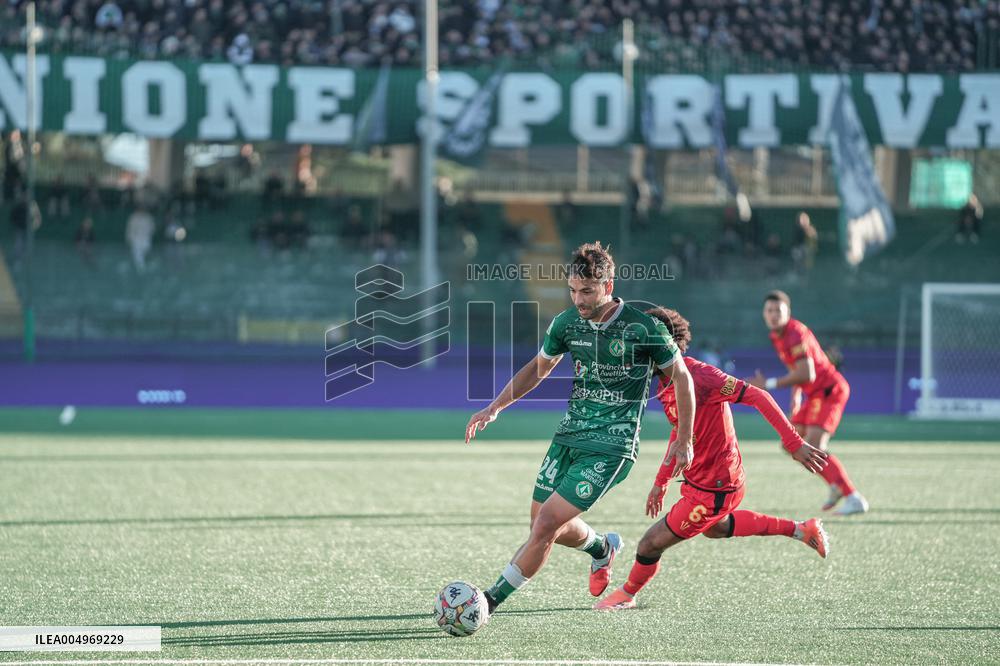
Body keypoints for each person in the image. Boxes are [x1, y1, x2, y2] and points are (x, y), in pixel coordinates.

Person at [465, 241, 695, 619]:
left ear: (608, 285)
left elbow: (682, 379)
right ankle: (601, 548)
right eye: (573, 290)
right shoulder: (567, 323)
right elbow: (538, 368)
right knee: (542, 522)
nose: (578, 299)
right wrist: (495, 407)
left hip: (612, 447)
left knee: (545, 526)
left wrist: (684, 440)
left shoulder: (643, 327)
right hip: (569, 436)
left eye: (586, 291)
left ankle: (489, 601)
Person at [594, 306, 830, 611]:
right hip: (703, 481)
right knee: (716, 528)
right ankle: (802, 529)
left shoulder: (700, 376)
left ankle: (625, 595)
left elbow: (758, 396)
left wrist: (794, 443)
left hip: (716, 487)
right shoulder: (667, 381)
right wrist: (661, 481)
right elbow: (681, 433)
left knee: (650, 544)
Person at [748, 290, 869, 515]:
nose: (773, 315)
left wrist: (770, 384)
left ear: (788, 313)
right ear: (764, 314)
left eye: (778, 311)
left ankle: (853, 497)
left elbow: (807, 373)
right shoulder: (778, 335)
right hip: (815, 394)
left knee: (814, 446)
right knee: (791, 444)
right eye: (769, 311)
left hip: (829, 391)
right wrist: (796, 395)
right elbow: (798, 370)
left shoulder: (794, 333)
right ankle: (835, 484)